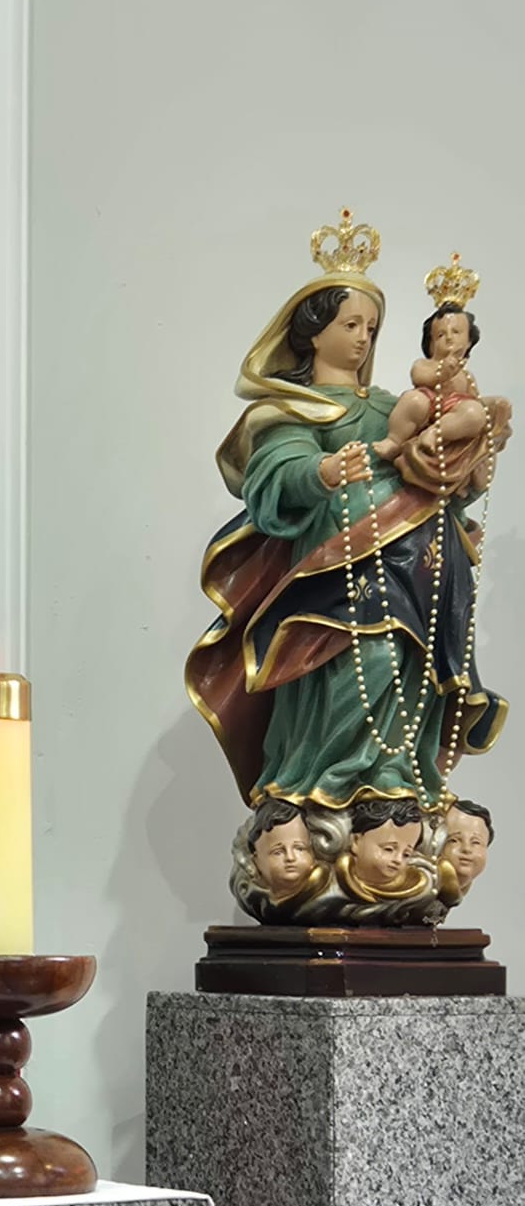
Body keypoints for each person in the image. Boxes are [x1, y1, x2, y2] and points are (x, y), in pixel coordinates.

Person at [186, 236, 509, 816]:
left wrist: (471, 465)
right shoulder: (294, 407)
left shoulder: (394, 406)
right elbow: (274, 474)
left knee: (408, 670)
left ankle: (397, 784)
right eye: (350, 324)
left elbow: (434, 472)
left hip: (415, 572)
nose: (363, 338)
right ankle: (323, 781)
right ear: (313, 332)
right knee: (357, 665)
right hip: (335, 569)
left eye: (371, 326)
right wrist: (323, 471)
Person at [373, 302, 489, 461]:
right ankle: (394, 440)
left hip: (453, 412)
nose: (449, 338)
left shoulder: (466, 375)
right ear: (431, 344)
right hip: (428, 404)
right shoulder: (424, 364)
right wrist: (442, 373)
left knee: (475, 412)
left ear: (469, 341)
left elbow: (476, 399)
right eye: (441, 335)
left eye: (456, 332)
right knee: (413, 399)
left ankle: (435, 433)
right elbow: (419, 377)